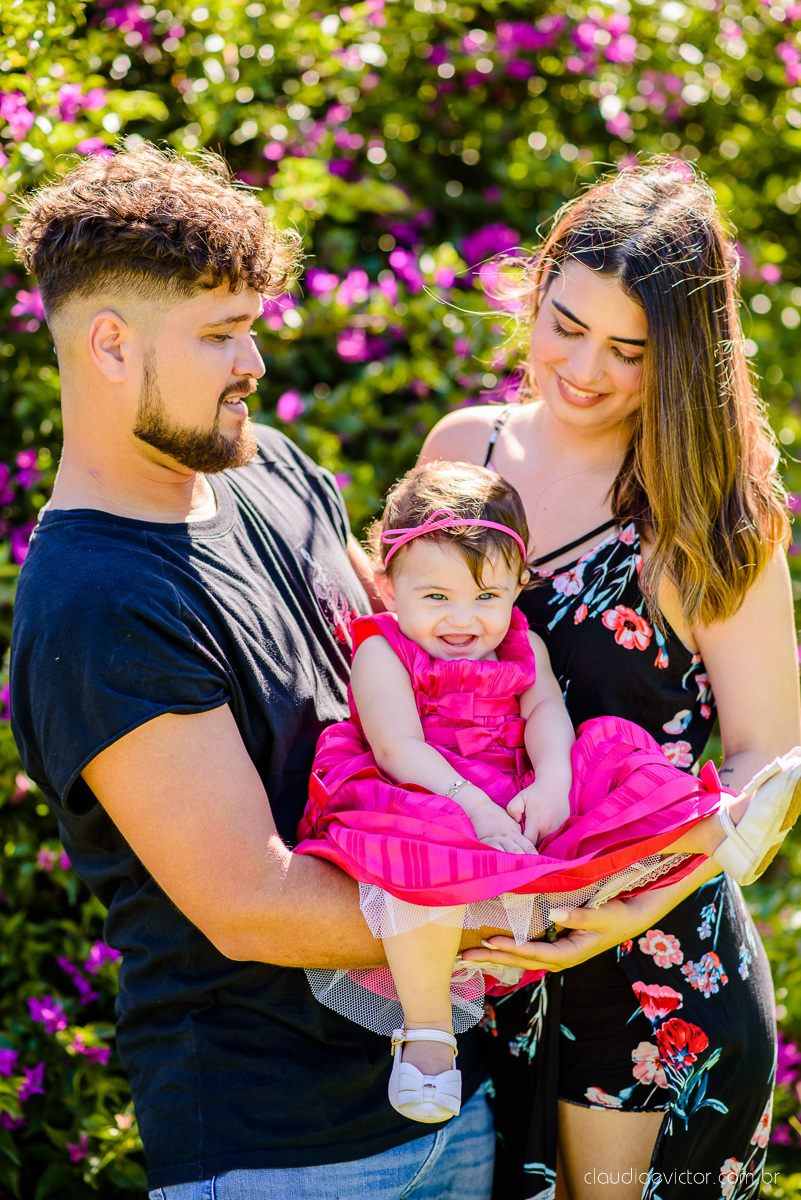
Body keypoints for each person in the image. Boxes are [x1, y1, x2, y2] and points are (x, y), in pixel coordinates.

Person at [8, 144, 496, 1200]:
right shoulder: (97, 602)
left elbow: (417, 677)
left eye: (254, 329)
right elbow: (251, 901)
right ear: (109, 345)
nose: (255, 364)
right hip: (280, 1155)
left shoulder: (273, 470)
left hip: (446, 1095)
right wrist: (529, 908)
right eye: (222, 334)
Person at [419, 158, 801, 1199]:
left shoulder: (707, 516)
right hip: (475, 953)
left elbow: (774, 756)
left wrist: (637, 903)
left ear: (680, 358)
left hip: (650, 968)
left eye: (627, 350)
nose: (581, 369)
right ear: (535, 288)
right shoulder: (466, 450)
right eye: (564, 323)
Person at [295, 459, 801, 1130]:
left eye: (486, 597)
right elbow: (397, 749)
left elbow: (544, 716)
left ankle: (715, 828)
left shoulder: (519, 641)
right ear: (389, 586)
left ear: (518, 585)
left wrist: (555, 782)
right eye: (435, 598)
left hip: (514, 791)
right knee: (417, 864)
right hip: (422, 792)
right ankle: (426, 1037)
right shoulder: (382, 650)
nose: (462, 620)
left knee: (613, 748)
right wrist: (473, 807)